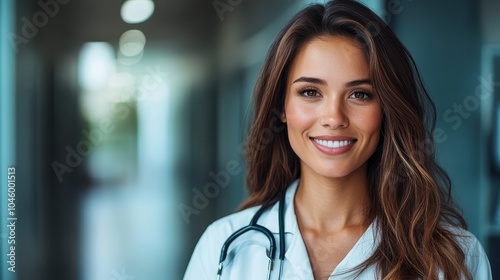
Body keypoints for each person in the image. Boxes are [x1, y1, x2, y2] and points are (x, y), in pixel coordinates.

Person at [183, 0, 492, 279]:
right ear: (281, 107)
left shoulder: (454, 257)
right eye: (310, 92)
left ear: (387, 109)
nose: (334, 117)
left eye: (360, 94)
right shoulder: (223, 245)